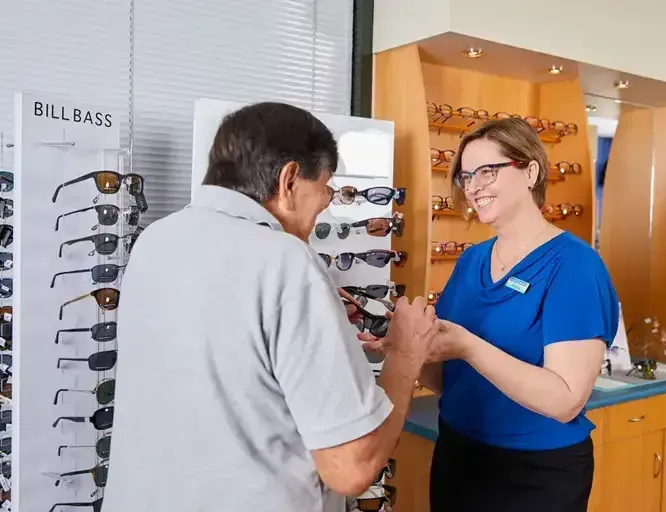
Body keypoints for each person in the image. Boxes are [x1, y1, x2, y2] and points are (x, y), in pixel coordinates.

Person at [102, 102, 439, 512]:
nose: (324, 208)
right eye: (326, 189)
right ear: (290, 179)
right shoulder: (287, 261)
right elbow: (350, 468)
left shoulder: (156, 240)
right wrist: (405, 356)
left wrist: (312, 319)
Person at [421, 118, 620, 511]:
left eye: (487, 171)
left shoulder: (575, 266)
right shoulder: (471, 261)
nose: (473, 186)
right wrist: (407, 348)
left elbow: (566, 400)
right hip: (459, 455)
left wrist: (468, 346)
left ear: (530, 171)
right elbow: (451, 381)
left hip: (535, 474)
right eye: (465, 176)